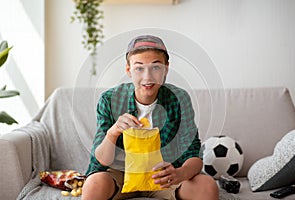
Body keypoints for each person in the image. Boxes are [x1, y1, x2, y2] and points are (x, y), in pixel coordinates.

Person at [82, 35, 219, 200]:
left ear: (166, 69)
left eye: (156, 67)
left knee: (207, 186)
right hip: (122, 175)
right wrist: (113, 132)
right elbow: (101, 160)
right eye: (139, 68)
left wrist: (180, 173)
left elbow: (193, 154)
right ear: (128, 70)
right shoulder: (110, 99)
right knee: (94, 184)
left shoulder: (179, 98)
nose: (147, 77)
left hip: (164, 177)